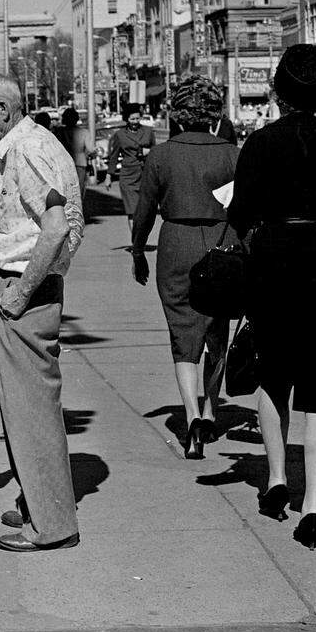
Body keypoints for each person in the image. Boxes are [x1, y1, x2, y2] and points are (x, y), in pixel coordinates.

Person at [0, 71, 84, 553]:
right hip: (24, 282)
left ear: (4, 111)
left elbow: (54, 227)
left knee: (31, 409)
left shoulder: (27, 150)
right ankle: (39, 502)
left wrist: (19, 293)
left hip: (24, 286)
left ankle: (52, 522)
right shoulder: (29, 144)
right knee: (22, 406)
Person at [228, 44, 316, 548]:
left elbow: (240, 213)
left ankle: (277, 480)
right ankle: (315, 506)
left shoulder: (262, 143)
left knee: (274, 374)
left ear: (280, 91)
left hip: (275, 266)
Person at [130, 75, 239, 460]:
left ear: (177, 113)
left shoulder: (161, 156)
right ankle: (210, 410)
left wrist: (139, 250)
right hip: (222, 244)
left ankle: (190, 416)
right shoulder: (231, 153)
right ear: (213, 114)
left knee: (182, 333)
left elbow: (143, 212)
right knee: (217, 331)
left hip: (174, 244)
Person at [107, 103, 156, 232]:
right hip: (128, 177)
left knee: (144, 211)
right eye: (132, 119)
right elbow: (114, 156)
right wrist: (109, 176)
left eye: (137, 118)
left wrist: (148, 151)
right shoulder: (120, 135)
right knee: (132, 210)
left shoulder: (148, 132)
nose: (135, 122)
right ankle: (136, 243)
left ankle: (140, 239)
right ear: (126, 119)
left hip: (146, 175)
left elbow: (156, 152)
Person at [55, 107, 92, 214]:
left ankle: (67, 212)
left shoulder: (59, 131)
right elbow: (90, 150)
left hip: (63, 164)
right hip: (80, 163)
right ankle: (77, 213)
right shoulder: (84, 132)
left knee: (65, 190)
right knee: (79, 191)